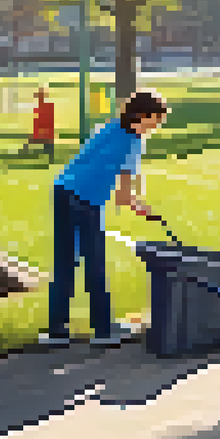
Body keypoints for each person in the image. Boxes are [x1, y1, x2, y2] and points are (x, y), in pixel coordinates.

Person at [40, 89, 168, 348]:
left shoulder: (109, 128)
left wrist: (135, 197)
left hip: (63, 191)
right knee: (95, 264)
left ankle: (56, 330)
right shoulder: (133, 141)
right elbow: (123, 196)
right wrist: (142, 208)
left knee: (66, 263)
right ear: (142, 116)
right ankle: (103, 329)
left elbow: (111, 170)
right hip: (85, 200)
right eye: (155, 121)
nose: (155, 128)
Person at [20, 86, 56, 162]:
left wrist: (39, 132)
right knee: (47, 143)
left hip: (44, 135)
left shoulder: (45, 108)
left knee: (31, 141)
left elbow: (41, 123)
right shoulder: (46, 107)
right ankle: (50, 156)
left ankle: (49, 155)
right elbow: (38, 123)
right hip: (46, 134)